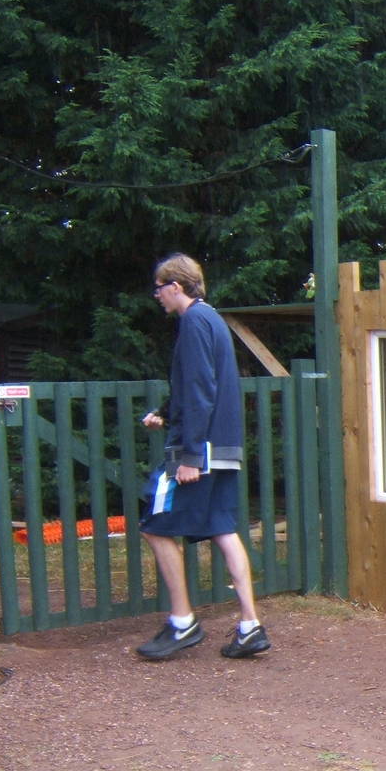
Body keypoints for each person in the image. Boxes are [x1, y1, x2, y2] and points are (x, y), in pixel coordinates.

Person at [136, 253, 270, 661]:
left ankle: (182, 622)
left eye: (159, 288)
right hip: (223, 448)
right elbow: (199, 385)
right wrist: (166, 411)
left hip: (201, 452)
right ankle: (250, 627)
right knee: (222, 528)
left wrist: (191, 456)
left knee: (154, 525)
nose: (157, 295)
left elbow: (199, 390)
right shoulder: (212, 319)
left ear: (175, 286)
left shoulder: (193, 322)